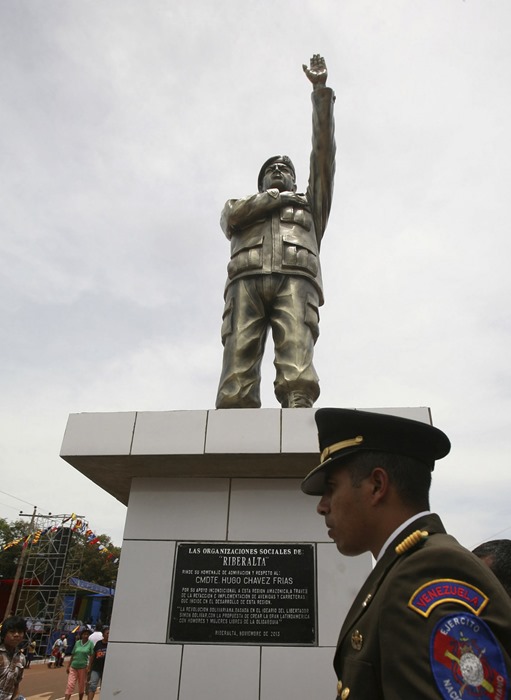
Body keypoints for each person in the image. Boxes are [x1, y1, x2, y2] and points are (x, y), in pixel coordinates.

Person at [301, 408, 511, 699]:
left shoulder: (427, 573)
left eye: (332, 488)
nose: (322, 506)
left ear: (377, 485)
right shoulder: (403, 569)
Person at [215, 54, 336, 409]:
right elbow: (230, 218)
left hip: (295, 279)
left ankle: (297, 404)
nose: (280, 172)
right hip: (246, 281)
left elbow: (323, 157)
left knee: (297, 358)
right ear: (262, 181)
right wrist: (271, 198)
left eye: (285, 169)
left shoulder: (311, 206)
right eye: (272, 170)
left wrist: (320, 95)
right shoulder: (242, 206)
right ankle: (235, 417)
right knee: (237, 361)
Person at [0, 616, 27, 700]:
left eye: (20, 632)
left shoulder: (21, 659)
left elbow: (16, 685)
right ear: (4, 634)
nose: (16, 635)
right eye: (12, 632)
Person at [64, 628, 94, 700]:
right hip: (73, 666)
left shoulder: (90, 643)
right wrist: (68, 665)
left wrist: (89, 666)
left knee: (81, 685)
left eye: (87, 634)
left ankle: (80, 698)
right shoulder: (77, 643)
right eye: (84, 634)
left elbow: (92, 655)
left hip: (83, 667)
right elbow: (73, 654)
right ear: (82, 635)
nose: (86, 636)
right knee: (70, 684)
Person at [87, 627, 108, 700]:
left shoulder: (111, 645)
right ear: (103, 634)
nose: (108, 635)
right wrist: (89, 666)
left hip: (106, 670)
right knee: (92, 685)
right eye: (107, 633)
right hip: (96, 668)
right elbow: (93, 655)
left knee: (104, 687)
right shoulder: (99, 643)